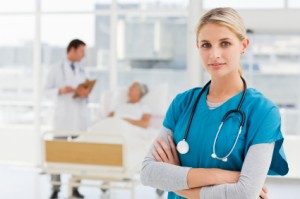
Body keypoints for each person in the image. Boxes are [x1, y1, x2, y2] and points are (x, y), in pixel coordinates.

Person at [140, 7, 289, 199]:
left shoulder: (262, 112)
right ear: (198, 47)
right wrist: (226, 176)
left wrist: (178, 184)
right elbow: (148, 173)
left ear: (244, 45)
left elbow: (244, 193)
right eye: (206, 45)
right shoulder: (183, 103)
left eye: (225, 43)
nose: (214, 54)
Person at [44, 39, 90, 199]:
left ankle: (75, 187)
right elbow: (46, 91)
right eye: (82, 51)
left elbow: (86, 91)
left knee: (79, 155)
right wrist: (60, 91)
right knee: (58, 154)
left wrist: (85, 94)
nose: (84, 55)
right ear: (72, 49)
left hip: (79, 119)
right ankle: (55, 188)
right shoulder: (55, 69)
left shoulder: (83, 71)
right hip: (62, 119)